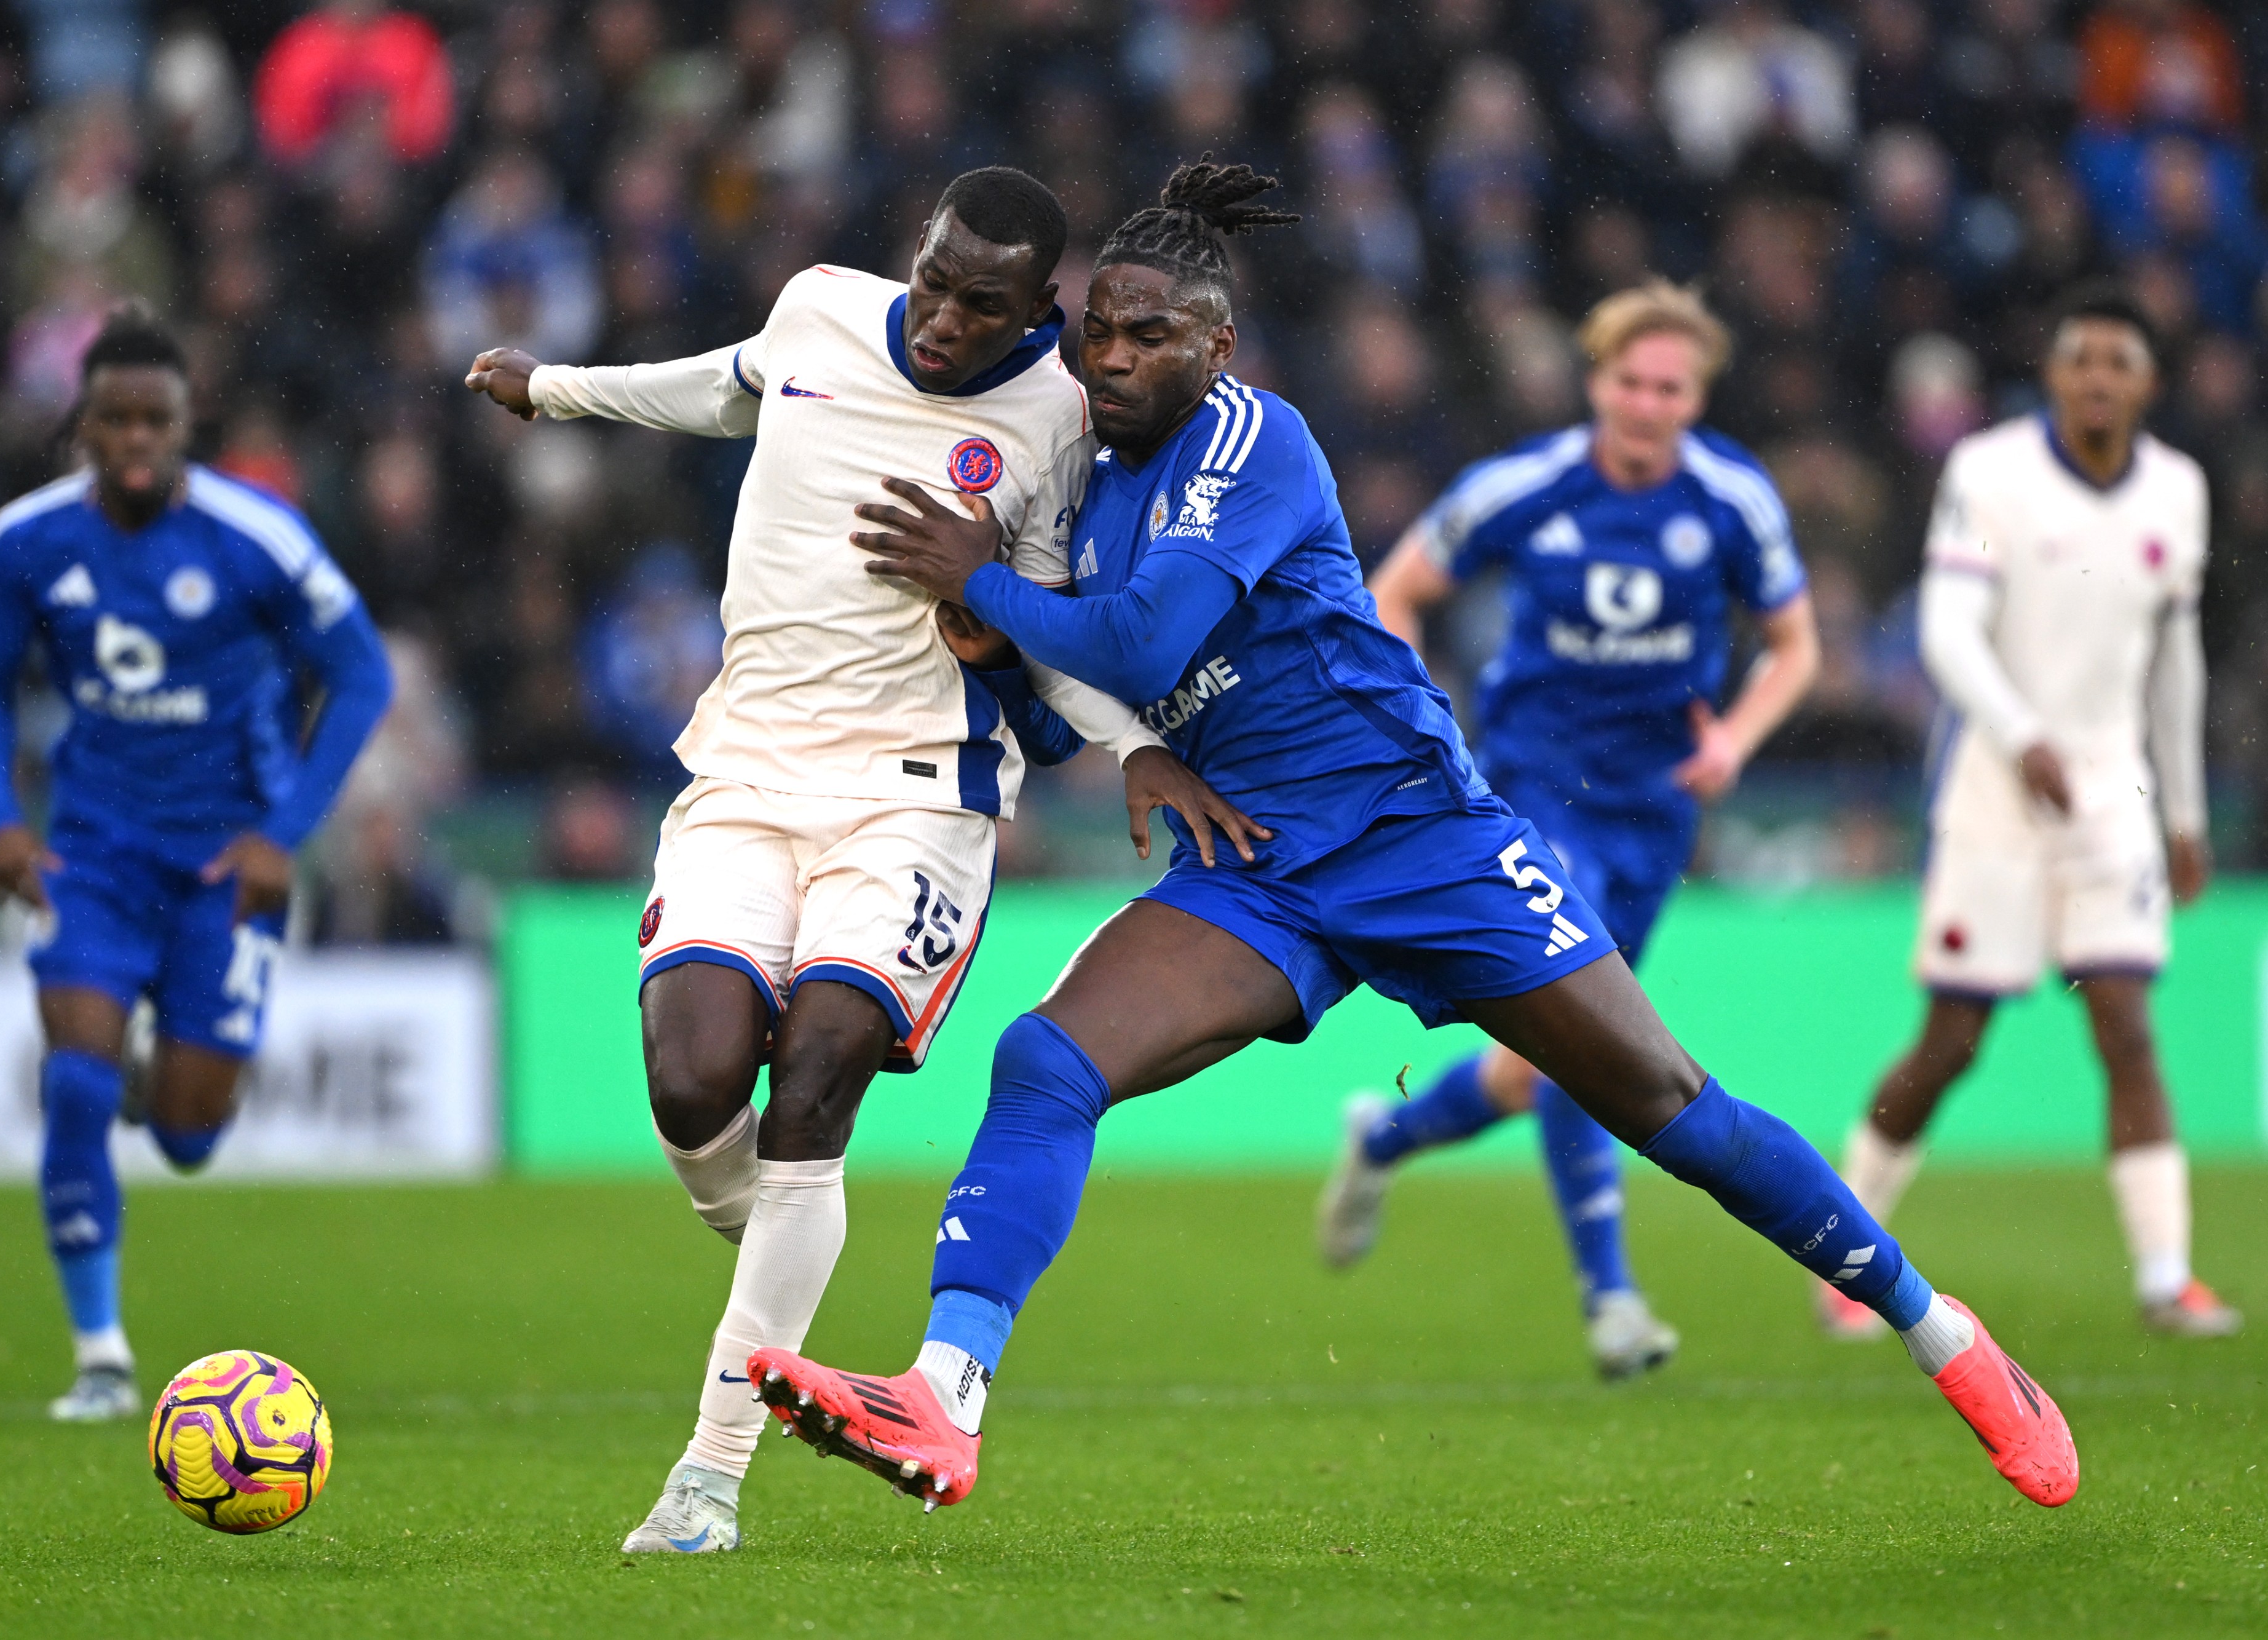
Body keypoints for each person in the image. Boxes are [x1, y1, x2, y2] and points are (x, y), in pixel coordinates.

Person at [743, 159, 2079, 1516]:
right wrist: (1005, 642)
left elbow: (1143, 637)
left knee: (1667, 1106)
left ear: (1218, 346)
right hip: (1255, 862)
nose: (1117, 355)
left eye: (1153, 333)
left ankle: (1943, 1334)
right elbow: (1075, 683)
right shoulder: (1073, 480)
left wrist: (974, 579)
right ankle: (944, 1392)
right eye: (1099, 328)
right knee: (1046, 1056)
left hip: (1415, 833)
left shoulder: (1255, 443)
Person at [464, 167, 1254, 1556]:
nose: (943, 318)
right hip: (745, 768)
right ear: (916, 252)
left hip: (916, 791)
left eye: (983, 304)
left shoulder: (1062, 416)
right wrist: (560, 388)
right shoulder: (822, 309)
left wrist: (1122, 739)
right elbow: (724, 383)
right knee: (696, 1074)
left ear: (1041, 316)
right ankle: (776, 1232)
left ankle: (703, 1483)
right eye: (934, 279)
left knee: (818, 1065)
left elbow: (1060, 617)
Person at [1313, 281, 1820, 1381]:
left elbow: (1797, 644)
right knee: (1589, 1047)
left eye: (1669, 388)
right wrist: (1424, 717)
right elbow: (1395, 591)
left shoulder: (1733, 497)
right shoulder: (1527, 485)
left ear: (1696, 397)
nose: (1646, 404)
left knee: (1547, 1059)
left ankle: (1384, 1138)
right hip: (1540, 790)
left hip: (1657, 808)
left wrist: (1736, 738)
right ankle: (1613, 1299)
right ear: (1598, 384)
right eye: (1629, 382)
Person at [0, 304, 393, 1422]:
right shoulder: (27, 542)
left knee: (191, 1137)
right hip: (92, 857)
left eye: (158, 420)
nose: (138, 439)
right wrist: (3, 817)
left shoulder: (259, 539)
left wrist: (282, 833)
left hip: (223, 872)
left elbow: (362, 677)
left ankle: (162, 1080)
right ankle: (101, 1356)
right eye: (116, 420)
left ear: (187, 425)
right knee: (72, 1082)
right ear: (83, 427)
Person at [1823, 285, 2236, 1342]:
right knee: (1954, 1040)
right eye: (2080, 359)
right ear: (2052, 376)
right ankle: (1845, 1252)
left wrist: (2184, 810)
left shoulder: (2178, 492)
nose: (2098, 377)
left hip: (2112, 793)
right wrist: (2022, 736)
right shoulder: (1990, 472)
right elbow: (1949, 633)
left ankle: (2165, 1276)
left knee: (2128, 1028)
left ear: (2147, 383)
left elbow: (2175, 664)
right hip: (1998, 789)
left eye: (2119, 362)